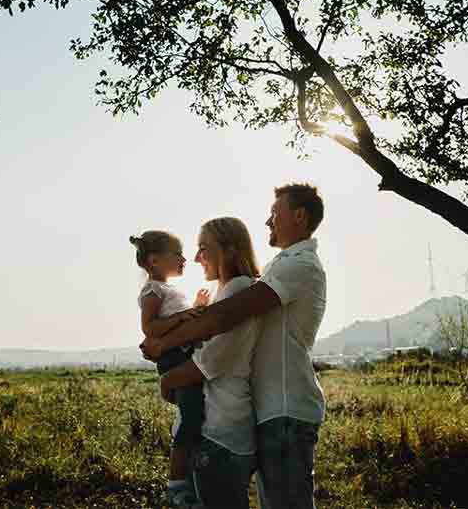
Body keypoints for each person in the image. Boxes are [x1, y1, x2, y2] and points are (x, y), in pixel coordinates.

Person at [144, 184, 329, 509]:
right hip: (269, 410)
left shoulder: (300, 265)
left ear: (299, 216)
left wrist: (163, 344)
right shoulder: (278, 266)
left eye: (275, 213)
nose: (268, 221)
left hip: (284, 408)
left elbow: (225, 317)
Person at [157, 217, 265, 509]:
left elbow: (210, 361)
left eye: (203, 248)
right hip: (215, 432)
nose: (195, 258)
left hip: (222, 435)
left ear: (230, 250)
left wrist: (167, 380)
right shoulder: (226, 292)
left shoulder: (240, 291)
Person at [130, 230, 211, 508]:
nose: (184, 258)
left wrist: (197, 309)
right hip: (173, 358)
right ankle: (177, 484)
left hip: (183, 353)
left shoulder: (170, 289)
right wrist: (181, 316)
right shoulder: (153, 290)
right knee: (190, 416)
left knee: (197, 410)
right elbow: (149, 328)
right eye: (177, 253)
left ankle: (194, 466)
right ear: (154, 261)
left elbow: (183, 323)